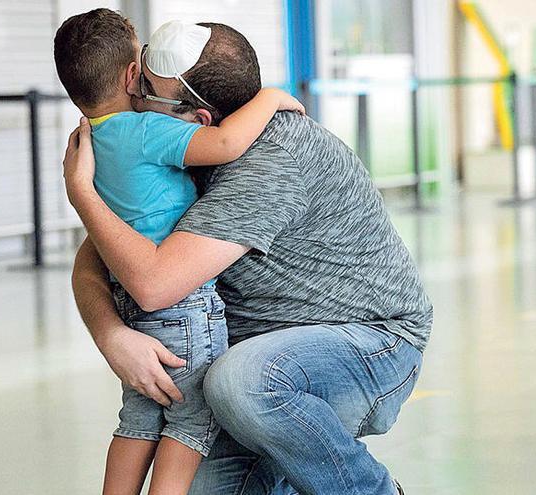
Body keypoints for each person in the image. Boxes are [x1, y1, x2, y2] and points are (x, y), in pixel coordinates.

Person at [63, 19, 433, 495]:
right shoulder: (168, 151)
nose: (132, 99)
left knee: (243, 384)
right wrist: (112, 336)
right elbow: (95, 257)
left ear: (196, 120)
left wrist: (82, 194)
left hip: (372, 346)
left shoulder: (270, 160)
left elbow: (152, 283)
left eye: (146, 91)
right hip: (244, 356)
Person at [53, 10, 304, 495]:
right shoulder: (143, 131)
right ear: (131, 76)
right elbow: (227, 141)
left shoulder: (88, 139)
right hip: (183, 310)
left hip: (125, 302)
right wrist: (271, 97)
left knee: (139, 419)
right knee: (192, 420)